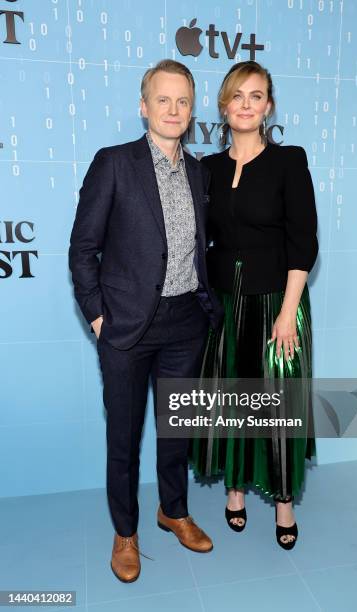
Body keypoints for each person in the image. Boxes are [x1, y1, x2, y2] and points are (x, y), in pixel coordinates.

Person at [69, 59, 223, 583]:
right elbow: (82, 248)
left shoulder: (200, 171)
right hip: (127, 328)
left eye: (183, 101)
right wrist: (97, 319)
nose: (174, 109)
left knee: (176, 431)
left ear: (191, 108)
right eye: (163, 99)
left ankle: (173, 511)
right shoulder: (113, 163)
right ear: (143, 107)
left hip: (186, 323)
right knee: (125, 437)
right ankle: (126, 531)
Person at [189, 61, 318, 550]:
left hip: (276, 304)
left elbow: (303, 241)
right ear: (224, 106)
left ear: (269, 106)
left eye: (256, 95)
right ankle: (236, 489)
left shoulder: (289, 161)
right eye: (237, 95)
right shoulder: (207, 169)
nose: (246, 104)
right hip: (224, 305)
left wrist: (288, 313)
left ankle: (284, 501)